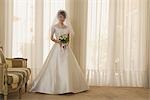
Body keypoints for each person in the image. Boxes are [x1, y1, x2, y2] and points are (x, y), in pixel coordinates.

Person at [30, 10, 89, 94]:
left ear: (65, 18)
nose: (62, 18)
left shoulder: (67, 28)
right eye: (60, 17)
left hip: (66, 48)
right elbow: (51, 38)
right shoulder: (54, 27)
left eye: (63, 17)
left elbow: (69, 39)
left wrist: (66, 43)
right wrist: (59, 42)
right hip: (57, 48)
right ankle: (55, 86)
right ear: (58, 17)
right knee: (54, 65)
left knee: (66, 66)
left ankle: (67, 87)